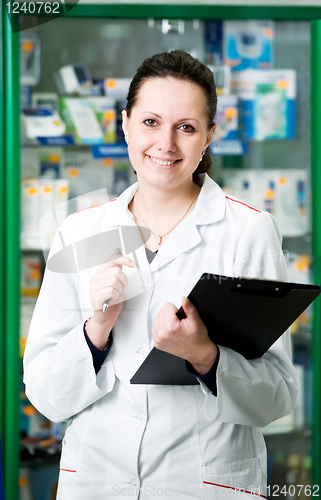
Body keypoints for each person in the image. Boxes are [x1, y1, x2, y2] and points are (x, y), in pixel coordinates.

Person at [23, 50, 298, 500]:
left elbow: (279, 396)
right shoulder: (80, 232)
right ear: (126, 123)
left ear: (209, 136)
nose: (166, 144)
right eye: (150, 122)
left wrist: (205, 356)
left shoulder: (248, 230)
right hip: (97, 481)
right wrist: (96, 330)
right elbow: (47, 397)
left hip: (206, 484)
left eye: (185, 128)